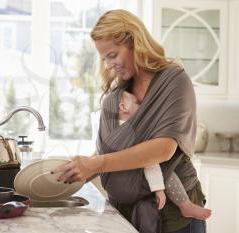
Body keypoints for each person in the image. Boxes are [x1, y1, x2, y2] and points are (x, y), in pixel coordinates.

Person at [51, 9, 210, 233]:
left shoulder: (174, 81)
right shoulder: (119, 93)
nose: (107, 65)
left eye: (113, 55)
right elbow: (112, 149)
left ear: (135, 42)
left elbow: (164, 148)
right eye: (104, 58)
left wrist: (97, 164)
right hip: (124, 212)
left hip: (173, 213)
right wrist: (78, 171)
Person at [119, 91, 211, 219]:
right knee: (167, 173)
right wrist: (159, 189)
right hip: (140, 174)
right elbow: (149, 161)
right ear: (123, 107)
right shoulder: (132, 131)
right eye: (137, 103)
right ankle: (185, 206)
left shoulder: (116, 128)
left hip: (131, 181)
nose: (142, 106)